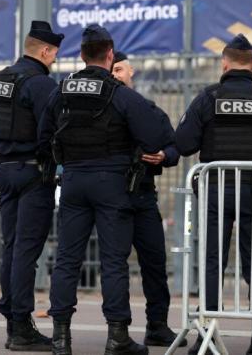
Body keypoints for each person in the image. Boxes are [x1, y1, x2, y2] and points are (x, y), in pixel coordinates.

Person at [38, 24, 165, 355]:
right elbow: (153, 139)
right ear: (110, 55)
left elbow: (43, 136)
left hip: (74, 182)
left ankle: (61, 338)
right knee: (113, 261)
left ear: (81, 55)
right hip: (112, 183)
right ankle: (117, 336)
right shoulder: (120, 94)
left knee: (67, 259)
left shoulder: (61, 89)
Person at [175, 34, 252, 355]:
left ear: (225, 63)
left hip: (216, 191)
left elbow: (184, 143)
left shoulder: (208, 98)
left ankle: (207, 334)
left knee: (213, 261)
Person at [0, 20, 64, 352]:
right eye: (54, 54)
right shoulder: (41, 85)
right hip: (33, 176)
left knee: (12, 249)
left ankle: (13, 322)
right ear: (44, 51)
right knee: (26, 253)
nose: (54, 60)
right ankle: (20, 327)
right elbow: (56, 129)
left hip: (5, 173)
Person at [111, 51, 186, 348]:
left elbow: (174, 146)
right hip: (112, 198)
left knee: (154, 262)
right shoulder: (101, 111)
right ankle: (118, 330)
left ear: (132, 73)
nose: (116, 74)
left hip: (142, 195)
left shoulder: (148, 109)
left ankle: (157, 325)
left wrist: (164, 155)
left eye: (120, 69)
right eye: (112, 69)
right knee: (115, 265)